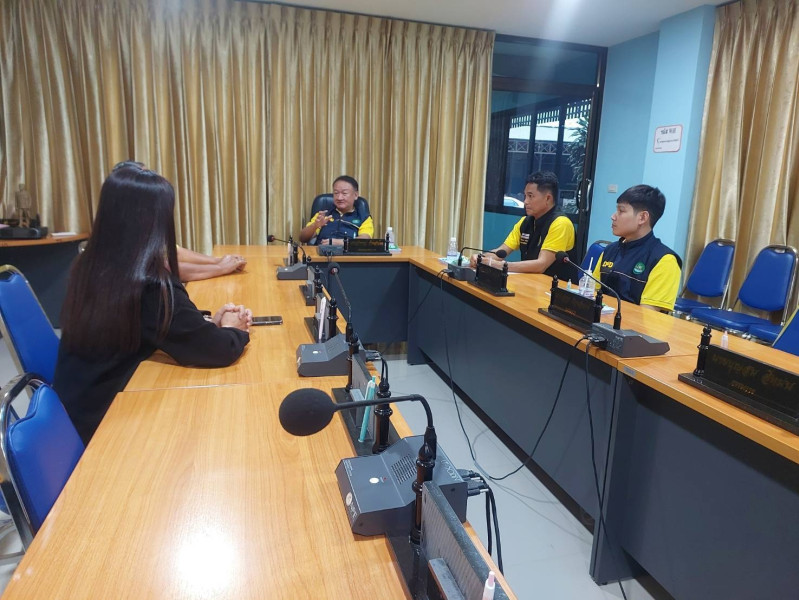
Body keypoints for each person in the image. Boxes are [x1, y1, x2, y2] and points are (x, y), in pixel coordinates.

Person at [54, 165, 253, 444]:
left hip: (74, 409)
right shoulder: (147, 283)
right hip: (104, 427)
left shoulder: (92, 264)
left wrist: (205, 322)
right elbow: (216, 351)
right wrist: (234, 330)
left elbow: (159, 325)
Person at [111, 161, 247, 281]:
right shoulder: (121, 226)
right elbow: (163, 269)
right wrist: (221, 268)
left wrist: (218, 261)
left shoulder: (144, 218)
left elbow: (175, 252)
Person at [592, 184, 682, 311]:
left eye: (621, 211)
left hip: (628, 323)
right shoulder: (609, 251)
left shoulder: (664, 260)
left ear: (642, 218)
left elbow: (647, 316)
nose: (613, 216)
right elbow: (592, 294)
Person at [471, 171, 575, 276]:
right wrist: (481, 258)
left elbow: (541, 265)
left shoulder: (561, 223)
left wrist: (501, 265)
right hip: (529, 281)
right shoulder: (525, 222)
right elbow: (501, 251)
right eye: (525, 196)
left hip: (554, 284)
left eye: (530, 196)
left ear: (548, 198)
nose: (525, 201)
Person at [299, 175, 374, 245]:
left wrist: (341, 243)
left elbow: (364, 241)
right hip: (322, 253)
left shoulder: (363, 217)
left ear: (355, 195)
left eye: (344, 193)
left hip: (349, 254)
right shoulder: (323, 214)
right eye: (336, 193)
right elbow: (302, 238)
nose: (339, 198)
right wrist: (315, 226)